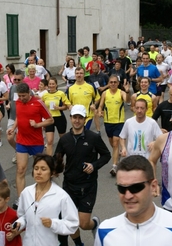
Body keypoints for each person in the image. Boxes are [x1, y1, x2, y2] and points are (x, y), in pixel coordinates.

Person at [94, 155, 172, 246]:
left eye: (136, 188)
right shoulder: (105, 231)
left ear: (154, 187)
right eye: (122, 188)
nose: (128, 195)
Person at [54, 105, 111, 246]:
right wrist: (52, 169)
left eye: (80, 118)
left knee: (83, 223)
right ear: (70, 118)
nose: (77, 121)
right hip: (69, 185)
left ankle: (95, 223)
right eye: (75, 117)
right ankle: (79, 243)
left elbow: (106, 155)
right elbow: (57, 158)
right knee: (69, 220)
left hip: (88, 186)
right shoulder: (64, 139)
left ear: (85, 119)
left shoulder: (93, 138)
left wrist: (94, 165)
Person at [14, 154, 79, 246]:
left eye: (43, 169)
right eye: (36, 168)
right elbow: (23, 216)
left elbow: (73, 223)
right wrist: (19, 223)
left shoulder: (61, 196)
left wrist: (53, 223)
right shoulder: (26, 192)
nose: (38, 172)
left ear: (52, 173)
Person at [9, 83, 53, 208]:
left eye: (24, 96)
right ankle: (21, 200)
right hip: (22, 141)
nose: (21, 98)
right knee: (20, 170)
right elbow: (19, 117)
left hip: (36, 142)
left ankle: (42, 195)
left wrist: (37, 125)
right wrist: (13, 128)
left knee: (40, 170)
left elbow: (50, 119)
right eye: (20, 96)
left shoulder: (38, 103)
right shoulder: (18, 102)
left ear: (29, 93)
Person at [97, 75, 128, 176]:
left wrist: (127, 91)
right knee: (112, 142)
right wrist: (99, 111)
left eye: (115, 82)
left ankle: (114, 166)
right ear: (109, 83)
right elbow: (101, 105)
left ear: (118, 83)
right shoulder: (105, 93)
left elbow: (127, 100)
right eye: (111, 82)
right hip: (108, 121)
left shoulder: (121, 93)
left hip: (119, 122)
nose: (113, 84)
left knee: (115, 142)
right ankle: (117, 154)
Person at [42, 77, 71, 155]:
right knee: (49, 141)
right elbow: (42, 107)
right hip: (49, 119)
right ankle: (49, 161)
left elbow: (66, 106)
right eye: (50, 84)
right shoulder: (45, 95)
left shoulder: (61, 94)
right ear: (47, 85)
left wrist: (59, 108)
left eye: (53, 84)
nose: (51, 86)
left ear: (56, 85)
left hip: (59, 118)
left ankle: (61, 157)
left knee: (63, 140)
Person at [6, 71, 25, 164]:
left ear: (23, 79)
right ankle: (18, 150)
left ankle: (19, 154)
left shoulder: (27, 89)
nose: (16, 81)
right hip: (12, 117)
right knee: (9, 138)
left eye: (18, 80)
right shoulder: (12, 87)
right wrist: (9, 104)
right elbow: (10, 99)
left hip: (23, 118)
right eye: (15, 79)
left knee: (19, 137)